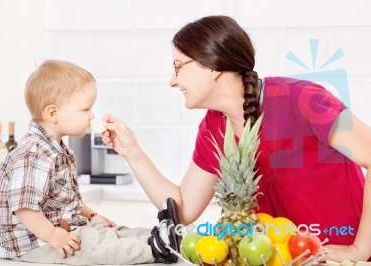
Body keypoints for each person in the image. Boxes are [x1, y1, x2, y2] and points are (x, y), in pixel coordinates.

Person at [100, 16, 371, 262]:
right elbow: (182, 209)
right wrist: (131, 151)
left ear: (212, 66)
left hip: (343, 258)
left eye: (179, 67)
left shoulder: (304, 100)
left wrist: (360, 249)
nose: (172, 81)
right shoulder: (213, 127)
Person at [0, 59, 181, 265]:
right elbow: (25, 209)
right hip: (33, 243)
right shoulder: (33, 154)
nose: (92, 115)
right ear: (54, 113)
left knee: (109, 233)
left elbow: (66, 199)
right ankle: (156, 248)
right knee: (99, 249)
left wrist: (92, 214)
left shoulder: (59, 150)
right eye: (85, 109)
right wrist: (54, 236)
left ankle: (160, 236)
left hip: (61, 228)